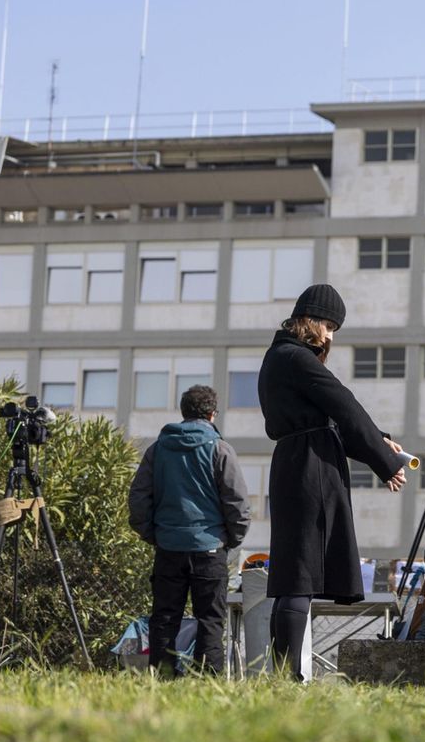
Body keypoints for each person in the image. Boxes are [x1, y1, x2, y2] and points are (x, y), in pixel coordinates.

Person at [258, 284, 407, 681]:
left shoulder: (277, 358)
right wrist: (385, 460)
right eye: (329, 325)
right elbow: (345, 406)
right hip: (312, 469)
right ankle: (289, 678)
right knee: (299, 577)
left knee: (292, 576)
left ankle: (282, 675)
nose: (331, 335)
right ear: (312, 320)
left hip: (291, 464)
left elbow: (331, 420)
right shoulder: (297, 359)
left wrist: (380, 441)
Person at [129, 384, 250, 677]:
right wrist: (229, 539)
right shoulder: (220, 449)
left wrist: (154, 534)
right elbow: (237, 503)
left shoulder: (157, 449)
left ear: (183, 413)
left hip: (169, 547)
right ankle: (208, 683)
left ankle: (165, 679)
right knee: (210, 619)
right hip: (209, 548)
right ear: (212, 414)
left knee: (165, 618)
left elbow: (138, 499)